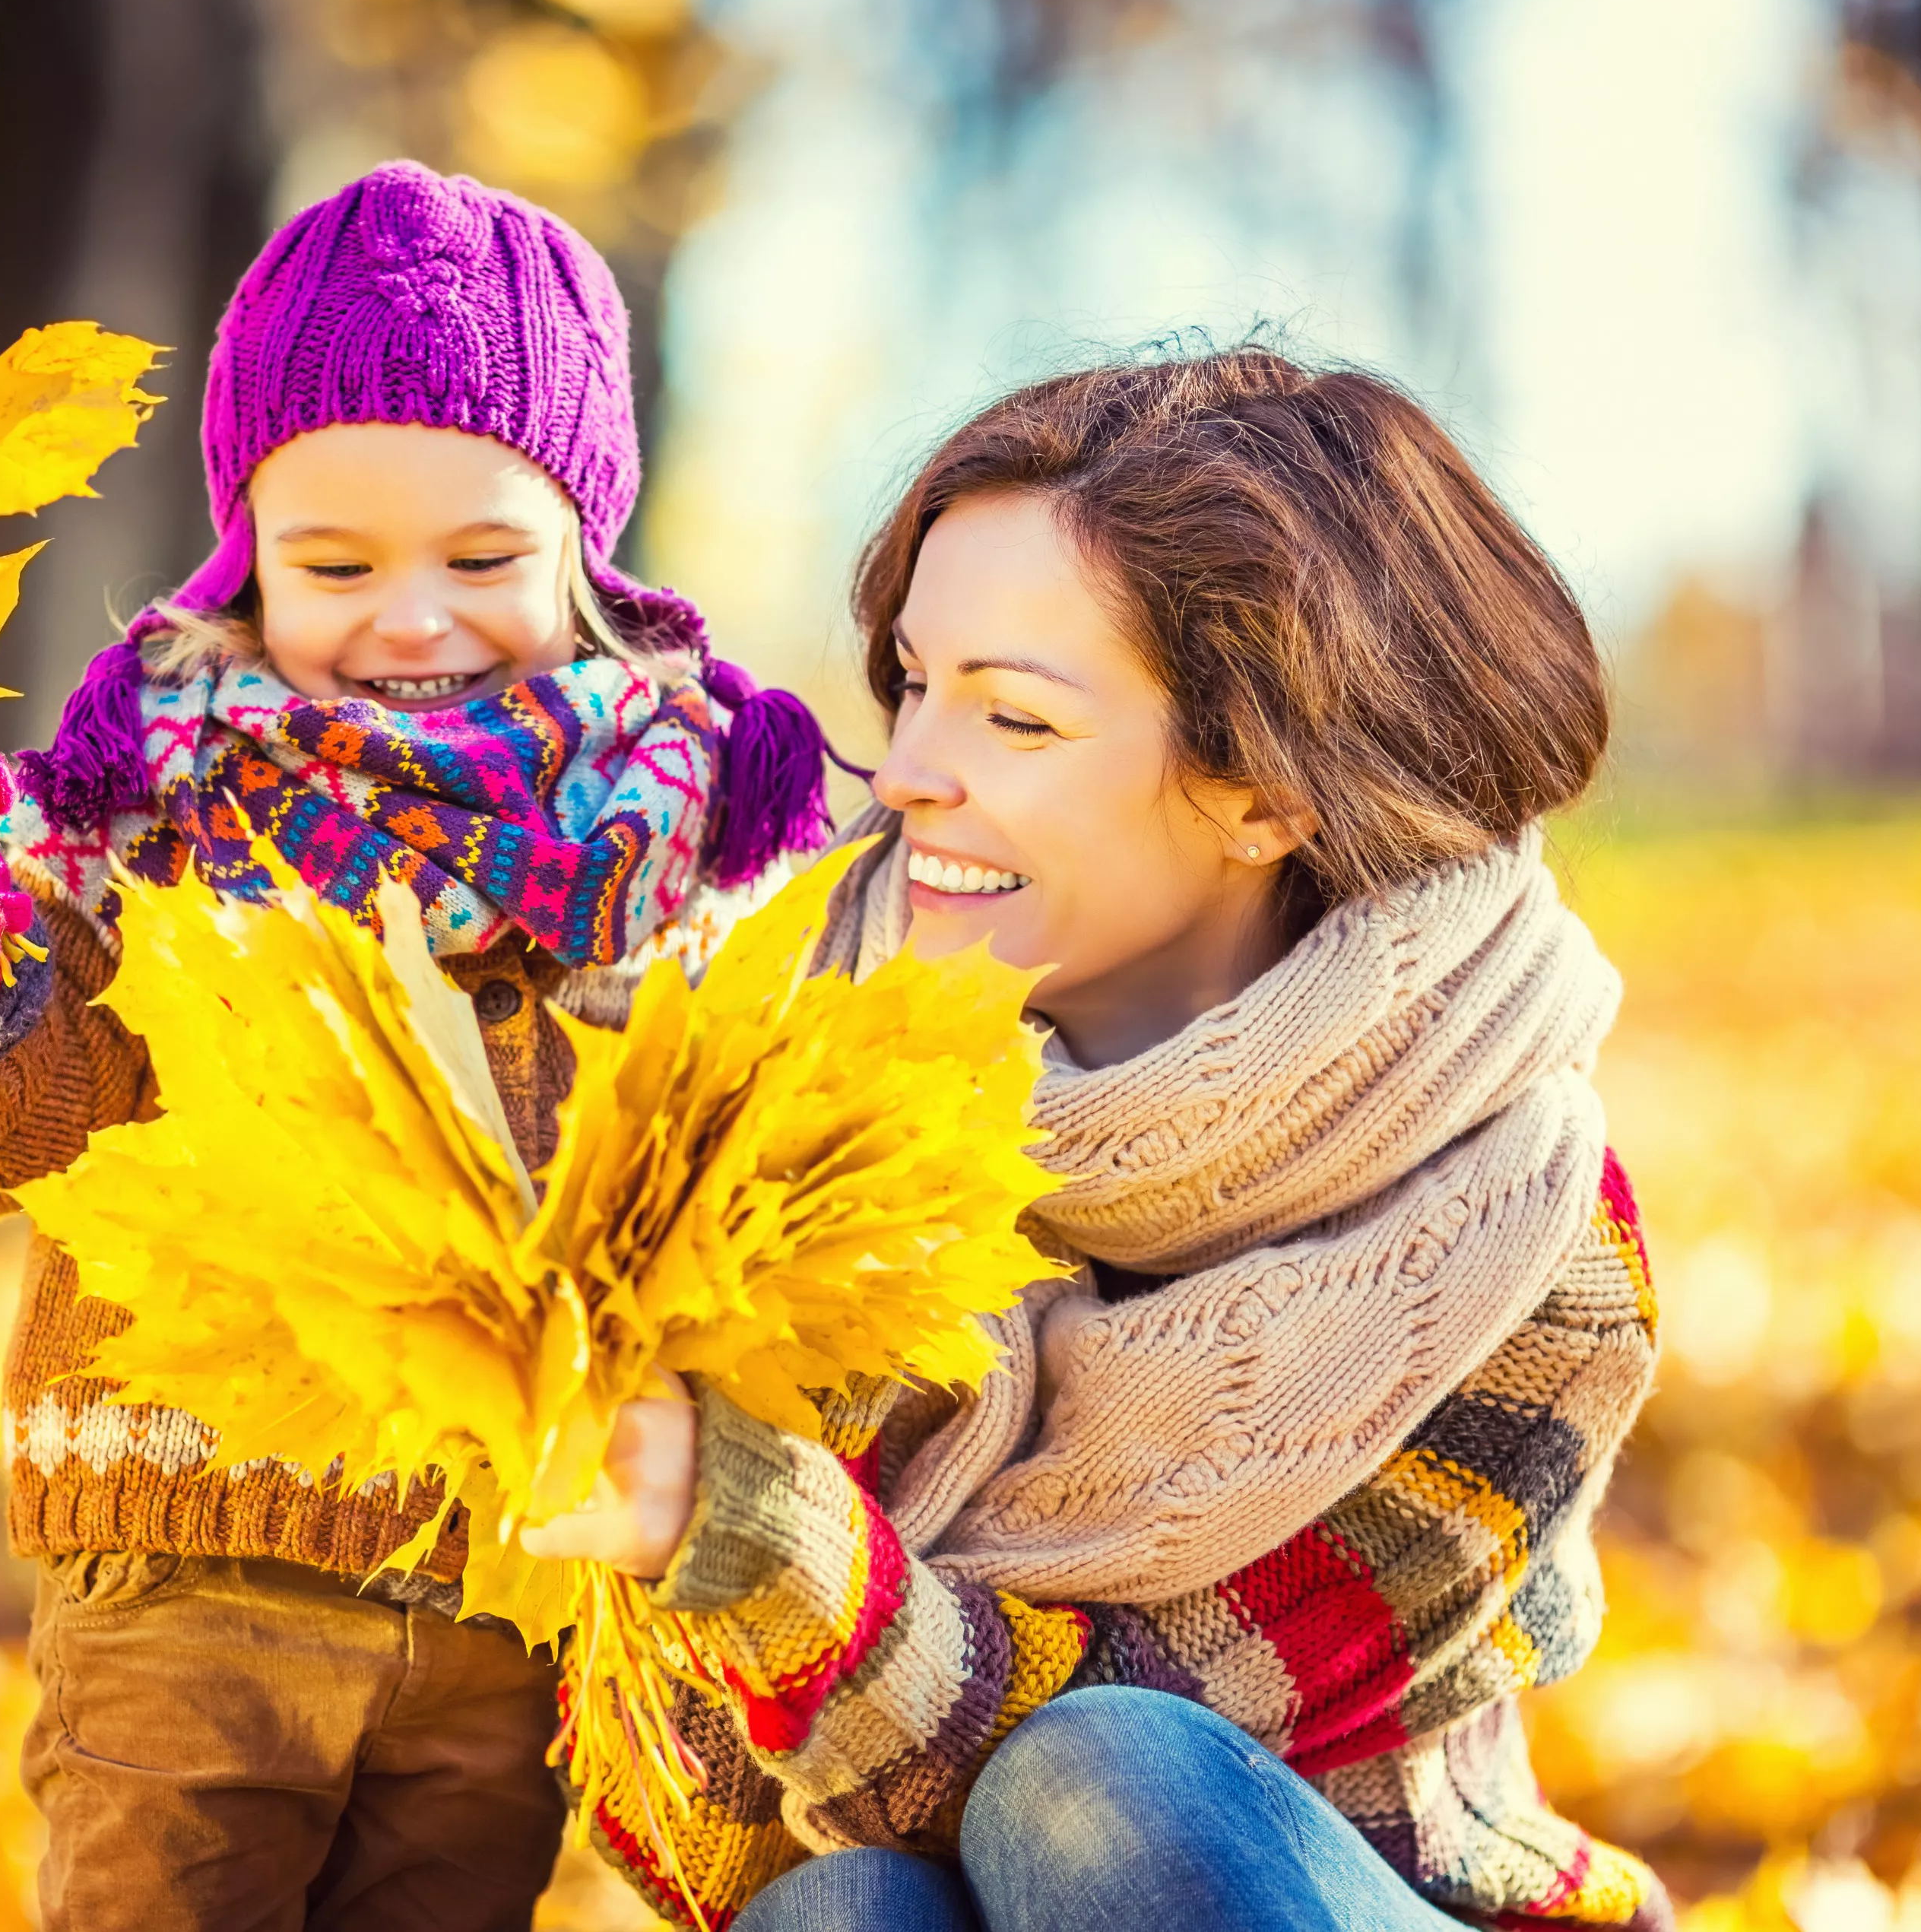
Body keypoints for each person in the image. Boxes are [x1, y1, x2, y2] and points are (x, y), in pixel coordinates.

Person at [520, 349, 1672, 1932]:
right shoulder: (784, 1093)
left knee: (1100, 1777)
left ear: (1261, 789)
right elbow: (721, 1849)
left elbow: (1075, 1812)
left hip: (1325, 1891)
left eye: (1012, 716)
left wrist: (751, 1532)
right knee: (833, 1913)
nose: (909, 771)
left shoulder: (1521, 1243)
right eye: (912, 683)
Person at [0, 160, 834, 1932]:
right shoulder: (147, 820)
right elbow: (23, 1133)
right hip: (181, 1565)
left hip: (500, 1585)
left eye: (485, 556)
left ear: (584, 551)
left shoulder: (663, 854)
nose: (411, 617)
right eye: (335, 561)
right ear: (244, 554)